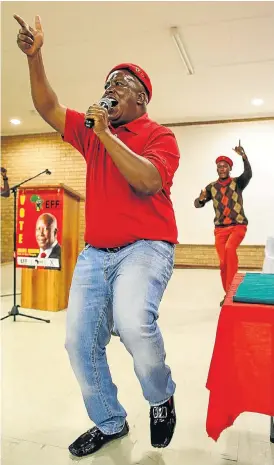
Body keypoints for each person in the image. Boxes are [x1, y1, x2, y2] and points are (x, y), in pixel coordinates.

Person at [14, 14, 180, 457]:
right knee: (78, 341)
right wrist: (36, 58)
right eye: (108, 81)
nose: (111, 86)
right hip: (94, 254)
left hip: (145, 249)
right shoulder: (91, 134)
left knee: (131, 322)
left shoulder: (159, 135)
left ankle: (160, 395)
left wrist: (104, 134)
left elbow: (146, 182)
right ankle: (109, 421)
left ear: (142, 98)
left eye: (122, 83)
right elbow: (48, 107)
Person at [194, 141, 252, 306]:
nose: (222, 168)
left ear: (229, 169)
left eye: (225, 166)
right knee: (223, 263)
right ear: (217, 169)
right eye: (220, 166)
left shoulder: (237, 183)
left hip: (238, 226)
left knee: (230, 249)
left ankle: (232, 292)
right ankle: (229, 294)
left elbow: (248, 173)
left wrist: (244, 156)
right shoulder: (211, 187)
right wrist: (200, 199)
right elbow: (198, 204)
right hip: (220, 230)